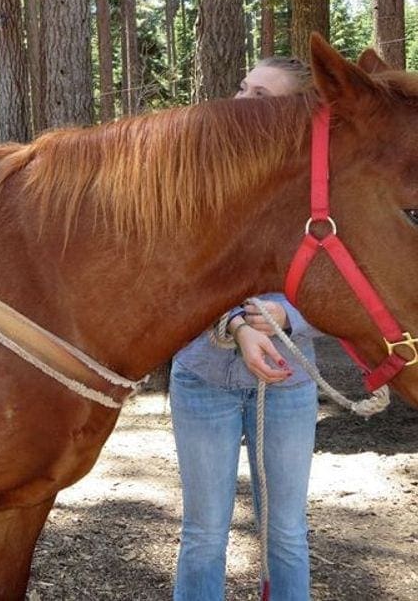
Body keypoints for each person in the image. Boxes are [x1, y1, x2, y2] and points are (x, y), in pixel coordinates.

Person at [171, 57, 320, 601]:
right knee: (204, 534)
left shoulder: (314, 193)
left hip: (288, 383)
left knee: (285, 533)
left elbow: (339, 286)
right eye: (242, 87)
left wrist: (289, 317)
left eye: (260, 96)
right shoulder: (197, 179)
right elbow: (179, 276)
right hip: (202, 378)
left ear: (292, 114)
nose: (240, 102)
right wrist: (234, 322)